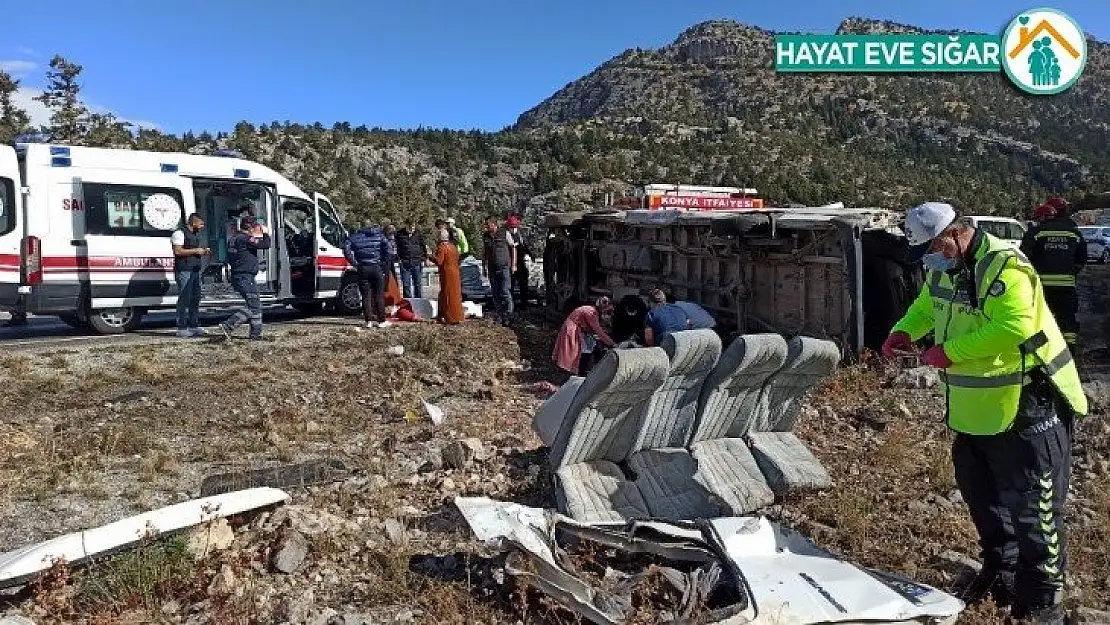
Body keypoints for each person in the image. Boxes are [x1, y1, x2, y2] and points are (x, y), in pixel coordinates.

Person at [881, 202, 1087, 624]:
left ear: (957, 233)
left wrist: (949, 353)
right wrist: (903, 331)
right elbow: (926, 306)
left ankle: (1043, 600)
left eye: (935, 247)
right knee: (983, 494)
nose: (930, 259)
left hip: (1029, 403)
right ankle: (1002, 573)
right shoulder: (942, 268)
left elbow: (1015, 326)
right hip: (978, 411)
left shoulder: (1006, 267)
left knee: (1033, 505)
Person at [1020, 198, 1086, 355]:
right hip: (1066, 288)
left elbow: (1023, 258)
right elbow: (1082, 259)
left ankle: (1035, 353)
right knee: (1067, 321)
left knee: (1038, 320)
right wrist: (1069, 273)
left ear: (1041, 219)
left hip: (1040, 288)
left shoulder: (1036, 233)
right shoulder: (1074, 233)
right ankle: (1069, 353)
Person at [218, 217, 271, 340]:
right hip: (245, 276)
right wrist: (266, 233)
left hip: (239, 275)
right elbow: (266, 245)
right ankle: (228, 325)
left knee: (255, 305)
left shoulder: (233, 239)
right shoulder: (245, 239)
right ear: (250, 227)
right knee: (253, 306)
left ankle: (255, 334)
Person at [343, 219, 392, 329]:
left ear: (361, 226)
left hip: (362, 267)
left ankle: (368, 321)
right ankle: (381, 321)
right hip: (376, 267)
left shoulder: (355, 237)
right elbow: (389, 249)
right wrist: (384, 262)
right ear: (372, 226)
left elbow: (346, 249)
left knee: (365, 295)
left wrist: (354, 262)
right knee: (379, 295)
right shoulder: (379, 236)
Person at [553, 297, 616, 378]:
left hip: (577, 328)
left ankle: (579, 370)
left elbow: (591, 328)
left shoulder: (592, 311)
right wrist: (612, 344)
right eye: (607, 312)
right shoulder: (591, 313)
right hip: (573, 329)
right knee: (577, 351)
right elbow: (599, 331)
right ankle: (578, 372)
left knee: (586, 348)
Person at [171, 213, 211, 338]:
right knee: (184, 298)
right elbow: (177, 251)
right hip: (184, 270)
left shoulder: (194, 234)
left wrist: (203, 251)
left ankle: (194, 325)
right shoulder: (179, 233)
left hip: (194, 270)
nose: (202, 226)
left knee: (195, 298)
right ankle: (181, 327)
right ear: (194, 223)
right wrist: (196, 251)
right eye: (201, 224)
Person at [482, 218, 515, 326]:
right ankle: (500, 315)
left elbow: (513, 248)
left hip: (504, 266)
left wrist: (513, 264)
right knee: (495, 293)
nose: (487, 227)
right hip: (492, 267)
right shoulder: (486, 236)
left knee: (505, 291)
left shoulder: (504, 233)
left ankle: (508, 315)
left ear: (495, 225)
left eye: (489, 225)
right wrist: (484, 267)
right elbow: (485, 252)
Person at [433, 227, 464, 325]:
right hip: (455, 272)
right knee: (455, 294)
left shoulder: (442, 247)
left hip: (447, 273)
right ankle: (457, 315)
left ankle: (449, 317)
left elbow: (439, 261)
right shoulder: (453, 246)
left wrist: (429, 256)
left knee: (447, 294)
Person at [394, 221, 427, 299]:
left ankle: (419, 300)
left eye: (413, 227)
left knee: (417, 284)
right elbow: (396, 247)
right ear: (406, 225)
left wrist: (424, 258)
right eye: (410, 227)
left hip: (417, 262)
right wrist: (399, 259)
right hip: (405, 263)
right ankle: (408, 302)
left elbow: (423, 246)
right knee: (406, 284)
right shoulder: (399, 234)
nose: (412, 229)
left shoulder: (418, 234)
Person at [506, 215, 532, 307]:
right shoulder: (506, 235)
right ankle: (511, 304)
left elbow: (526, 246)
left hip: (521, 262)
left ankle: (524, 303)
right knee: (510, 285)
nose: (513, 229)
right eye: (511, 227)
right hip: (510, 263)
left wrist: (530, 256)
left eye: (514, 227)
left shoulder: (521, 235)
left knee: (523, 284)